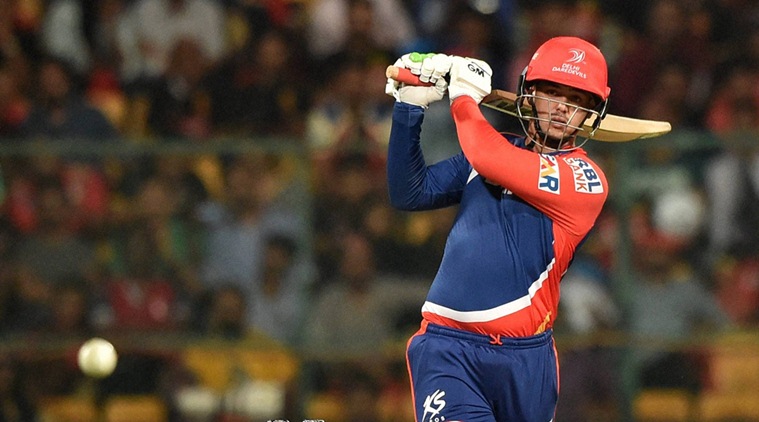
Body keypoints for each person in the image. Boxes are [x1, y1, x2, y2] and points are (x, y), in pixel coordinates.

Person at [385, 36, 611, 421]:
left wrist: (463, 97)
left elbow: (489, 156)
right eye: (552, 93)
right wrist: (409, 108)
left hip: (527, 362)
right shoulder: (497, 147)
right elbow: (410, 192)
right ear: (530, 94)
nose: (562, 108)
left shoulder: (586, 180)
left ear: (592, 111)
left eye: (577, 100)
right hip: (448, 350)